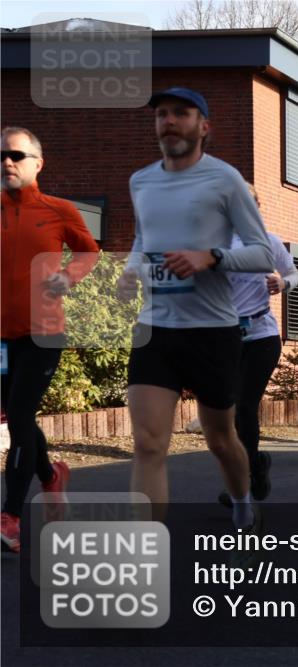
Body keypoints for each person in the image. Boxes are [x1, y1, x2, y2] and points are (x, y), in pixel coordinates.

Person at [117, 88, 274, 532]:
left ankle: (243, 501)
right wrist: (131, 272)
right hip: (156, 328)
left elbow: (262, 253)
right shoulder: (141, 181)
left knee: (221, 438)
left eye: (181, 113)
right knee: (148, 444)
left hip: (212, 331)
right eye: (161, 114)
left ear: (204, 126)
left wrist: (212, 256)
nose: (168, 120)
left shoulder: (225, 179)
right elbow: (141, 240)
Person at [1, 127, 99, 552]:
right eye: (1, 155)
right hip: (1, 340)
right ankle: (50, 477)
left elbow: (89, 252)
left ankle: (11, 518)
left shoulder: (59, 210)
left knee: (20, 417)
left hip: (43, 333)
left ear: (37, 164)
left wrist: (68, 276)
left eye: (16, 155)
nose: (7, 161)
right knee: (17, 416)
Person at [216, 183, 298, 508]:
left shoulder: (269, 242)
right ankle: (252, 469)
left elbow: (294, 274)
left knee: (244, 405)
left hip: (262, 335)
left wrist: (282, 282)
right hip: (226, 338)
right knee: (228, 413)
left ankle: (245, 483)